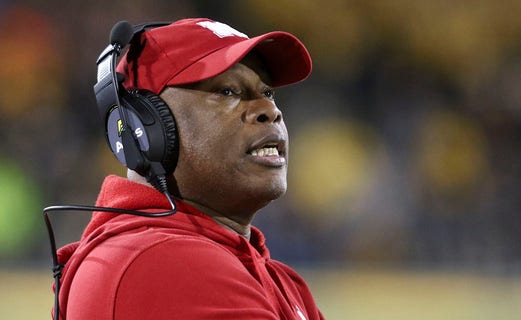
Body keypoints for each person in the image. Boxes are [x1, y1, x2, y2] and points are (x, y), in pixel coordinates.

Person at [54, 18, 323, 319]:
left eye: (268, 93)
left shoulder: (281, 280)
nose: (270, 111)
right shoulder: (160, 261)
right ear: (144, 128)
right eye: (228, 92)